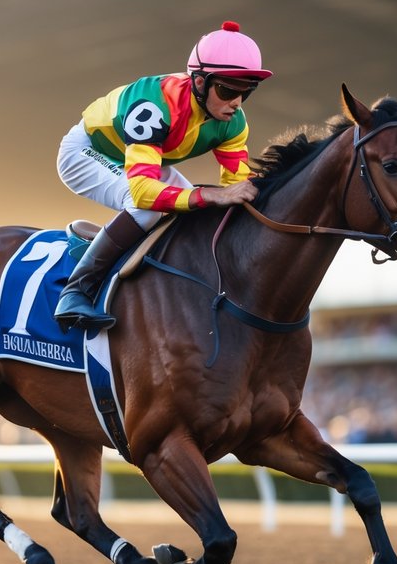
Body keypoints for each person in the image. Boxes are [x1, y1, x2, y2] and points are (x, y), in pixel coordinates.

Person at [53, 20, 273, 331]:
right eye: (226, 90)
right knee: (146, 206)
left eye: (245, 93)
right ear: (199, 82)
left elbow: (237, 187)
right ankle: (75, 291)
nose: (235, 103)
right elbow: (143, 192)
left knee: (192, 215)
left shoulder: (233, 122)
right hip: (88, 152)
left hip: (146, 159)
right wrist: (207, 195)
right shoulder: (154, 105)